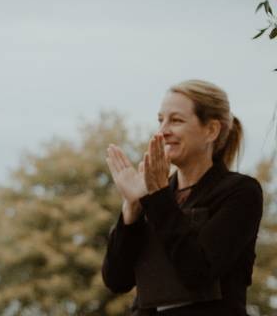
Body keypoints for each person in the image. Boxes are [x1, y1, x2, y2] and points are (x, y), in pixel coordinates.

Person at [103, 80, 264, 315]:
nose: (162, 131)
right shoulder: (155, 194)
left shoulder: (240, 192)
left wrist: (156, 196)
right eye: (161, 120)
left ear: (211, 130)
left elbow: (198, 272)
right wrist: (132, 207)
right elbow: (117, 280)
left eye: (176, 120)